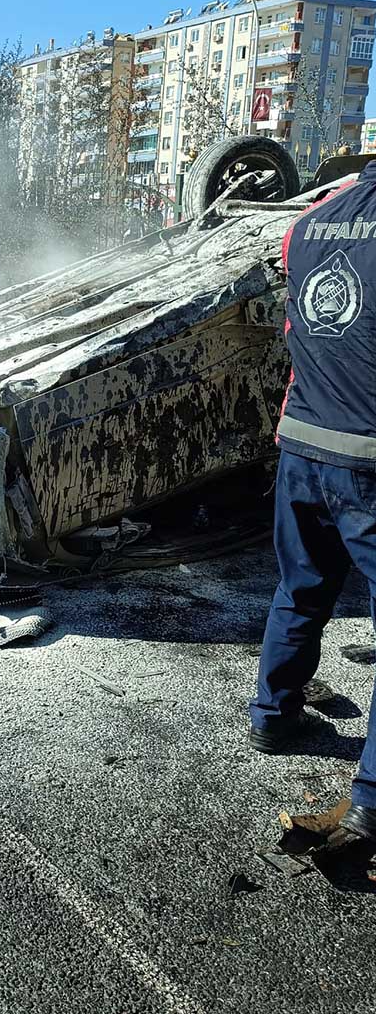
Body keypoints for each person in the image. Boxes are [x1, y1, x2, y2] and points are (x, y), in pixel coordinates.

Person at [249, 161, 376, 840]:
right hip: (369, 456)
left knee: (301, 589)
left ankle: (273, 716)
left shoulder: (310, 220)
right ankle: (372, 802)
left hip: (302, 443)